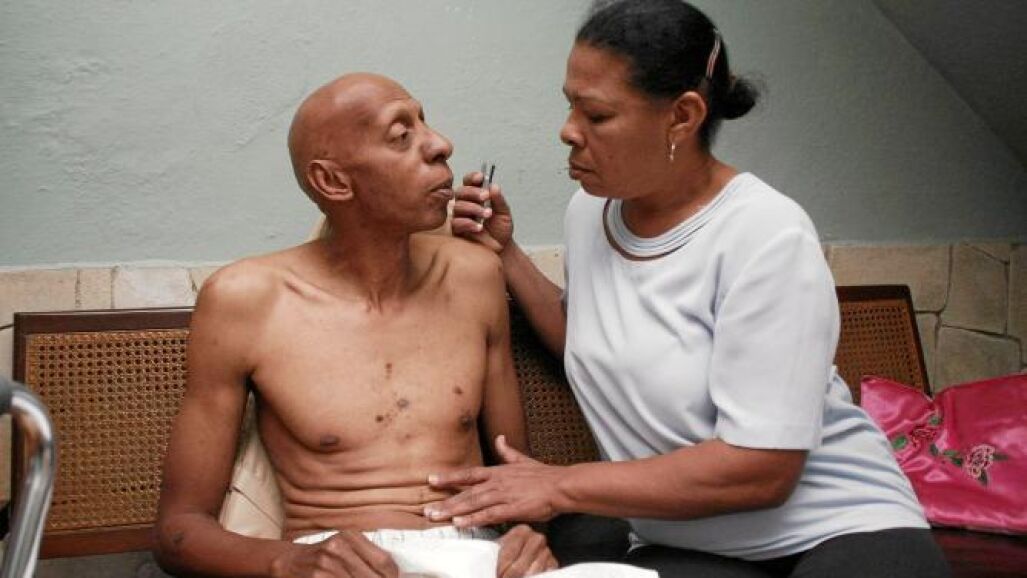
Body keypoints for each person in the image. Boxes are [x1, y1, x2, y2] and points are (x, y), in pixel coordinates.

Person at [428, 1, 952, 576]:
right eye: (569, 104)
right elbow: (594, 335)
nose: (568, 130)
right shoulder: (590, 212)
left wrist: (558, 484)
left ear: (682, 116)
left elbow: (763, 470)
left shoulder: (766, 234)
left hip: (839, 528)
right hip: (689, 541)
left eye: (596, 114)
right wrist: (505, 254)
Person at [153, 72, 561, 578]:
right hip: (339, 562)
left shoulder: (474, 276)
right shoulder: (247, 301)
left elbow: (518, 480)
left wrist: (526, 538)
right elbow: (179, 531)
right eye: (401, 135)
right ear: (333, 182)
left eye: (425, 122)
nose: (441, 144)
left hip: (475, 556)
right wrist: (293, 562)